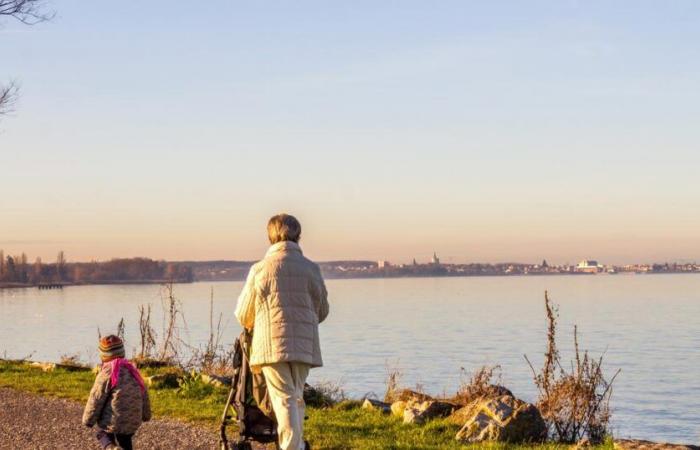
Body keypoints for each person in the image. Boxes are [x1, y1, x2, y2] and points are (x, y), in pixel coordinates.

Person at [235, 213, 329, 450]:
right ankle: (294, 445)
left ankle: (291, 447)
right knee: (296, 396)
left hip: (270, 345)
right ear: (298, 235)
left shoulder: (260, 270)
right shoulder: (311, 269)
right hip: (304, 346)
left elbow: (243, 314)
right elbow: (323, 310)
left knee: (284, 398)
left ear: (270, 236)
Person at [82, 335, 151, 450]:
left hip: (114, 420)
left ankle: (110, 447)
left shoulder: (107, 372)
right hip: (133, 420)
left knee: (102, 434)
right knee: (125, 439)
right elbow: (144, 394)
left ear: (103, 356)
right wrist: (146, 415)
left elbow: (96, 398)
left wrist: (88, 420)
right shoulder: (133, 371)